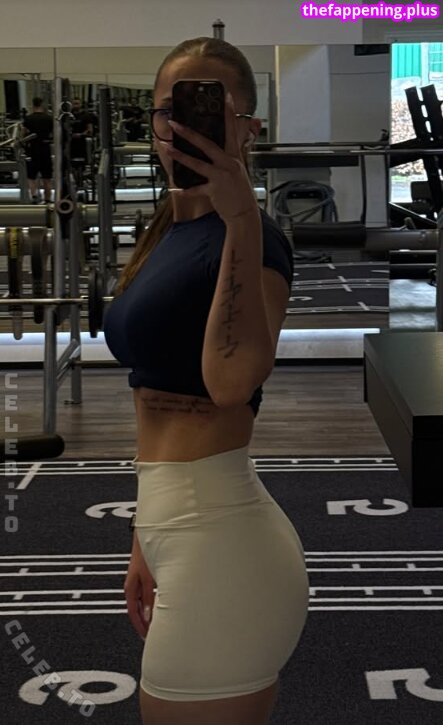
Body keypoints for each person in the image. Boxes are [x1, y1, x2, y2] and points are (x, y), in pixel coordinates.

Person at [103, 37, 309, 725]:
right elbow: (150, 401)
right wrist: (145, 537)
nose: (183, 127)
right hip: (177, 524)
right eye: (171, 110)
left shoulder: (256, 240)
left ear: (247, 128)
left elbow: (230, 382)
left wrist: (242, 213)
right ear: (155, 123)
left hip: (223, 542)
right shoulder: (165, 230)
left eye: (209, 111)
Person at [21, 97, 53, 204]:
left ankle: (34, 196)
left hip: (32, 149)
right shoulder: (49, 119)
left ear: (33, 105)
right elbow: (53, 134)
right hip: (45, 149)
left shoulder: (28, 119)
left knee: (31, 177)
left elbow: (23, 134)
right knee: (47, 177)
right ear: (42, 104)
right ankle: (48, 199)